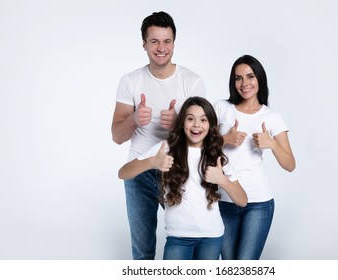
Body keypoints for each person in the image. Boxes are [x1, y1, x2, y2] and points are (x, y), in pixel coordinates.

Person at [111, 11, 206, 260]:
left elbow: (204, 136)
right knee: (142, 252)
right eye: (154, 41)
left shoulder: (192, 82)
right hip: (139, 170)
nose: (161, 48)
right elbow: (117, 137)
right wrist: (133, 118)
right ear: (144, 44)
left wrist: (179, 124)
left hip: (178, 169)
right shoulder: (130, 81)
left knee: (189, 238)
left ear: (174, 43)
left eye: (167, 41)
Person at [118, 97, 247, 260]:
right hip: (178, 238)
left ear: (211, 125)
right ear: (182, 123)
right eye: (190, 119)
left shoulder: (216, 156)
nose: (196, 125)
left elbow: (242, 200)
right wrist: (152, 162)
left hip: (211, 237)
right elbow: (123, 173)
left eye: (203, 120)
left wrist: (222, 180)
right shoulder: (166, 148)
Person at [214, 55, 295, 260]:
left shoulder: (271, 117)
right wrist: (225, 139)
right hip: (224, 200)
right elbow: (198, 146)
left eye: (250, 76)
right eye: (238, 78)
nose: (244, 83)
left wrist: (272, 144)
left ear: (259, 79)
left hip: (258, 203)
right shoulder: (221, 108)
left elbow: (290, 164)